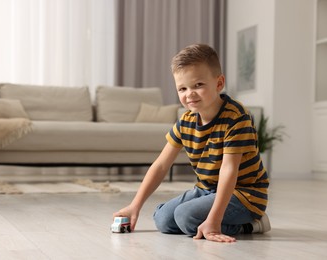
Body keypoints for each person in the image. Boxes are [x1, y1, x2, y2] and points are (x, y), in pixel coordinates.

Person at [113, 43, 271, 243]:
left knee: (186, 217)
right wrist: (134, 205)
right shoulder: (186, 120)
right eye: (182, 88)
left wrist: (214, 219)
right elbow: (161, 165)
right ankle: (206, 218)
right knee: (162, 219)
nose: (190, 94)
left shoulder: (236, 117)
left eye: (198, 85)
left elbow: (229, 170)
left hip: (244, 195)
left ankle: (251, 224)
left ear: (219, 83)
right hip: (206, 189)